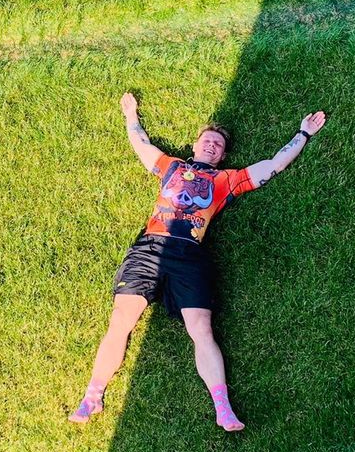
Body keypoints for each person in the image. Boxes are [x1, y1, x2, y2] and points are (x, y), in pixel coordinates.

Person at [69, 93, 326, 431]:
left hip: (190, 255)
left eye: (218, 145)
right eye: (207, 140)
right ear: (195, 145)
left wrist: (302, 134)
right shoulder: (171, 167)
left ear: (222, 156)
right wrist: (131, 115)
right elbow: (141, 144)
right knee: (121, 321)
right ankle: (93, 396)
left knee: (201, 329)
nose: (212, 146)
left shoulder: (225, 181)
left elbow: (271, 166)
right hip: (149, 250)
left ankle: (223, 408)